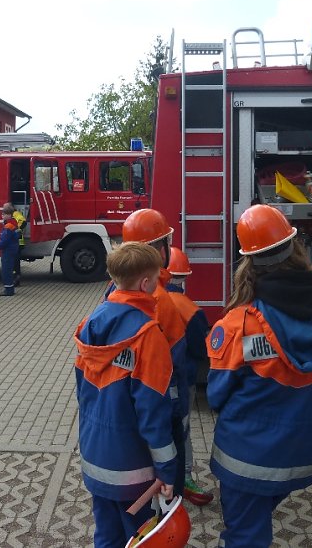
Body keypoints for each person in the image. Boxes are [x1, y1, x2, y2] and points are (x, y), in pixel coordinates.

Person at [207, 205, 312, 547]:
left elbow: (215, 396)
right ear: (296, 249)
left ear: (249, 262)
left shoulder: (238, 325)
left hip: (247, 460)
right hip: (301, 457)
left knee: (245, 535)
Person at [74, 242, 177, 547]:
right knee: (139, 538)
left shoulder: (92, 321)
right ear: (145, 283)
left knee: (106, 535)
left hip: (95, 454)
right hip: (133, 467)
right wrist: (168, 470)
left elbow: (83, 390)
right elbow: (153, 414)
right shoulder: (149, 336)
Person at [121, 208, 189, 498]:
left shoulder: (115, 289)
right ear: (159, 250)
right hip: (162, 404)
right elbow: (176, 362)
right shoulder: (162, 299)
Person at [165, 246, 213, 507]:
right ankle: (184, 478)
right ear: (183, 278)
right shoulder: (189, 308)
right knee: (181, 431)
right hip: (183, 381)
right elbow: (199, 348)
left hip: (151, 382)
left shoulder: (147, 299)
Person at [0, 206, 20, 296]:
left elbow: (5, 239)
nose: (2, 215)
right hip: (12, 249)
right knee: (9, 269)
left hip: (8, 250)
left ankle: (8, 290)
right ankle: (9, 289)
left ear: (9, 215)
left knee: (6, 271)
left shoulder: (8, 226)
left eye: (4, 214)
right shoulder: (13, 223)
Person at [3, 202, 26, 286]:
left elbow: (23, 222)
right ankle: (16, 279)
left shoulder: (16, 214)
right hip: (16, 242)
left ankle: (16, 279)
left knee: (15, 263)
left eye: (4, 207)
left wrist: (16, 229)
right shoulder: (12, 215)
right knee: (15, 263)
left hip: (18, 242)